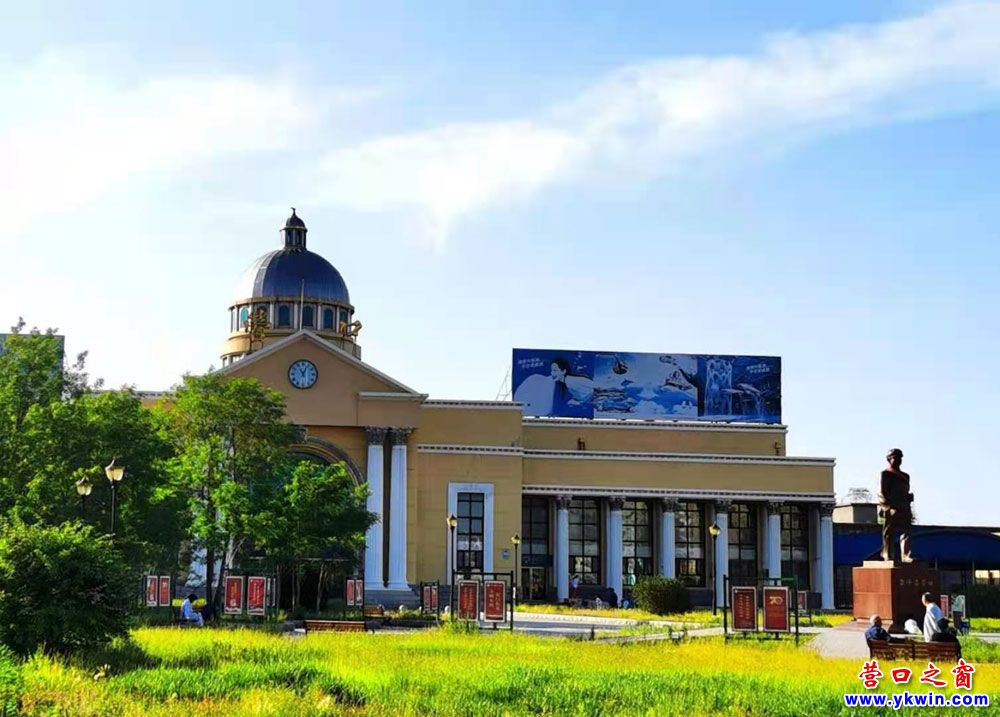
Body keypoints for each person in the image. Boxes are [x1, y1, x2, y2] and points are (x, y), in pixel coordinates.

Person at [879, 448, 914, 562]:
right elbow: (882, 493)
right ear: (889, 459)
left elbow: (904, 491)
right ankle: (887, 554)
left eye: (900, 458)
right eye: (895, 458)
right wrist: (888, 507)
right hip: (892, 508)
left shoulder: (905, 476)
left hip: (904, 507)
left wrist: (908, 498)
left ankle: (906, 555)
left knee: (906, 532)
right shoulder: (886, 474)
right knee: (888, 532)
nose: (898, 460)